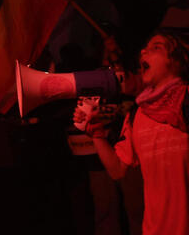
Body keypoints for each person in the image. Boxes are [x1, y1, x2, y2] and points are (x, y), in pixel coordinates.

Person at [76, 31, 189, 235]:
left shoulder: (186, 101)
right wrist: (97, 135)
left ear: (178, 61)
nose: (144, 51)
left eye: (157, 47)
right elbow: (117, 170)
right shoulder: (138, 114)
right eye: (145, 47)